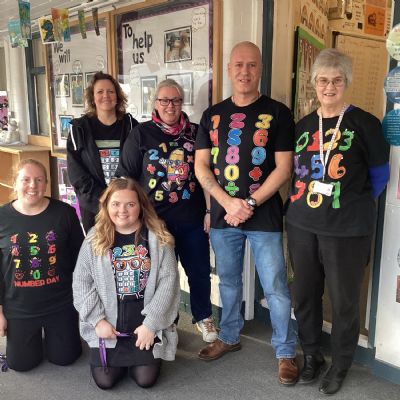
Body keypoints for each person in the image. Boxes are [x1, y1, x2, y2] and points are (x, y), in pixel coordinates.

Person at [285, 48, 390, 395]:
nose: (329, 87)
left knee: (344, 301)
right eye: (323, 80)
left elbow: (379, 176)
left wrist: (349, 204)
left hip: (347, 229)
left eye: (337, 80)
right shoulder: (302, 126)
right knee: (304, 295)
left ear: (347, 82)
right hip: (302, 225)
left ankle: (341, 363)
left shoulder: (366, 124)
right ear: (314, 83)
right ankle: (312, 355)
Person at [194, 41, 298, 385]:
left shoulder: (279, 113)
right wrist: (226, 202)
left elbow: (284, 169)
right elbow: (201, 166)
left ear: (261, 69)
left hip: (264, 214)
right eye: (238, 64)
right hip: (223, 214)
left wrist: (249, 203)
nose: (245, 71)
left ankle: (285, 351)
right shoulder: (211, 115)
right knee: (228, 281)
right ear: (228, 69)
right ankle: (229, 336)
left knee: (276, 286)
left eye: (252, 65)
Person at [116, 79, 217, 343]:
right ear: (156, 103)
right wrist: (129, 216)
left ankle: (203, 316)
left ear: (182, 103)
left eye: (175, 100)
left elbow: (208, 173)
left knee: (199, 271)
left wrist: (209, 211)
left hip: (192, 218)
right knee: (161, 276)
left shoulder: (196, 133)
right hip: (154, 222)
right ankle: (167, 320)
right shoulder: (141, 134)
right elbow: (126, 179)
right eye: (164, 100)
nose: (170, 106)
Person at [73, 178, 180, 390]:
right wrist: (97, 321)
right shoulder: (95, 237)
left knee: (145, 380)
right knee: (105, 381)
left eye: (130, 204)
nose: (122, 210)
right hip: (109, 323)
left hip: (143, 322)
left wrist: (151, 325)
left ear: (141, 206)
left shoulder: (158, 236)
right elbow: (81, 282)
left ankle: (144, 353)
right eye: (116, 204)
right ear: (106, 206)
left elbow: (169, 283)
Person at [0, 159, 83, 372]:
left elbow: (80, 260)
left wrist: (83, 301)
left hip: (60, 303)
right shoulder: (2, 217)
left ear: (46, 183)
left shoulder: (65, 213)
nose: (33, 185)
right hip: (19, 308)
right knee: (21, 365)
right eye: (26, 180)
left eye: (39, 180)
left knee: (66, 358)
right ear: (15, 182)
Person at [67, 71, 138, 234]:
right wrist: (103, 201)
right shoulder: (79, 129)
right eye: (100, 91)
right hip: (94, 207)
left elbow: (137, 165)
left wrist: (120, 200)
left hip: (126, 207)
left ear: (118, 96)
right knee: (98, 247)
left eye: (110, 91)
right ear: (92, 97)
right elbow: (77, 174)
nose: (106, 96)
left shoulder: (131, 126)